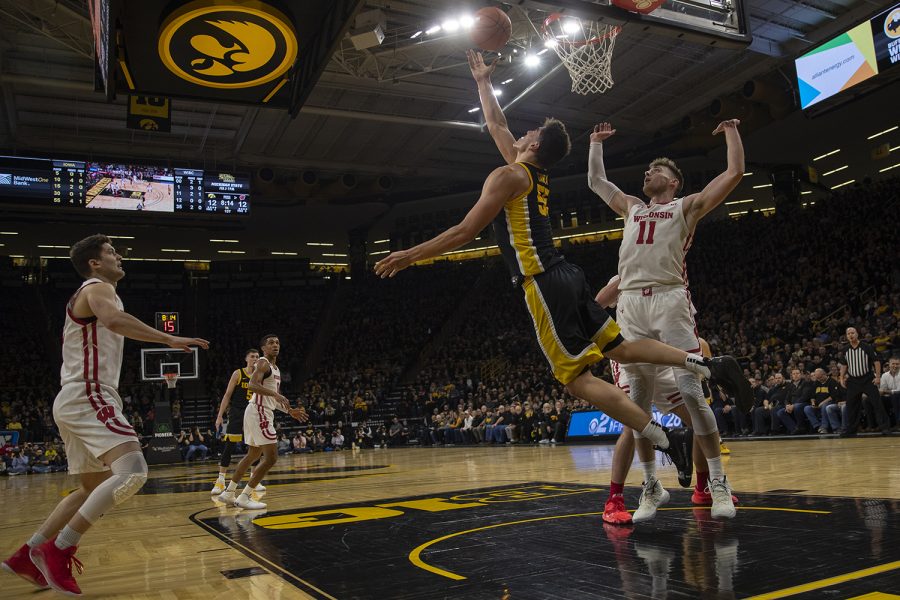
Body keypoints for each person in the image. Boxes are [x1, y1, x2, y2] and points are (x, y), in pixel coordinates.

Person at [375, 50, 748, 479]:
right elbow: (497, 125)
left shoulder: (508, 177)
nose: (520, 131)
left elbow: (463, 232)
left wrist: (408, 256)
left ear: (532, 145)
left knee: (575, 380)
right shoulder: (527, 173)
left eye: (527, 132)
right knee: (621, 348)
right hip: (569, 275)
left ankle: (666, 437)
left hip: (542, 282)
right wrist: (482, 81)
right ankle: (704, 364)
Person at [1, 234, 208, 595]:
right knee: (133, 472)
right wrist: (168, 339)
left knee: (90, 488)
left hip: (73, 396)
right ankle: (60, 548)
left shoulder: (92, 291)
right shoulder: (98, 287)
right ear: (94, 262)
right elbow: (113, 320)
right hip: (89, 392)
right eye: (112, 252)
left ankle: (28, 552)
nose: (119, 256)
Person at [587, 116, 749, 519]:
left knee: (693, 393)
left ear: (673, 181)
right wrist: (595, 144)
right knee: (637, 403)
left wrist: (730, 130)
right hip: (630, 305)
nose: (648, 173)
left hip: (669, 297)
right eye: (647, 170)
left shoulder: (685, 207)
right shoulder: (632, 208)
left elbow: (734, 172)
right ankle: (650, 486)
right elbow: (597, 183)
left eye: (656, 170)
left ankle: (717, 484)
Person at [595, 279, 737, 525]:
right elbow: (596, 305)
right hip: (634, 353)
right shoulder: (630, 271)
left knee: (697, 417)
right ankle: (615, 499)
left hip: (665, 354)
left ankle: (703, 487)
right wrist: (620, 282)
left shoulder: (668, 271)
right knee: (633, 423)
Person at [218, 335, 307, 509]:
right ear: (263, 348)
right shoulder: (263, 363)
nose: (275, 345)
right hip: (259, 412)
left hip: (256, 411)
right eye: (271, 343)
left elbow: (274, 399)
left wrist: (290, 411)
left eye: (277, 343)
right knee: (271, 457)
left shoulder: (275, 369)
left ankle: (228, 493)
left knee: (253, 455)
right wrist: (275, 394)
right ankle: (244, 497)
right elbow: (252, 385)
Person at [211, 349, 265, 496]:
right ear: (246, 359)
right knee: (229, 445)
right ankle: (221, 480)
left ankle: (254, 478)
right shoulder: (238, 373)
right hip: (237, 412)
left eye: (257, 357)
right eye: (252, 356)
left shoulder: (261, 375)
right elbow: (227, 395)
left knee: (256, 445)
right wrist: (220, 416)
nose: (255, 358)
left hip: (254, 412)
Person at [838, 327, 889, 436]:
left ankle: (884, 427)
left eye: (852, 333)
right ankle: (851, 429)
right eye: (848, 334)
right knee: (851, 406)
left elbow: (876, 361)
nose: (851, 335)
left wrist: (878, 376)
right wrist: (841, 377)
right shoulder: (845, 349)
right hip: (853, 381)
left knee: (877, 403)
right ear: (846, 336)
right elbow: (844, 364)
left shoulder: (866, 347)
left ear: (857, 334)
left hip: (867, 379)